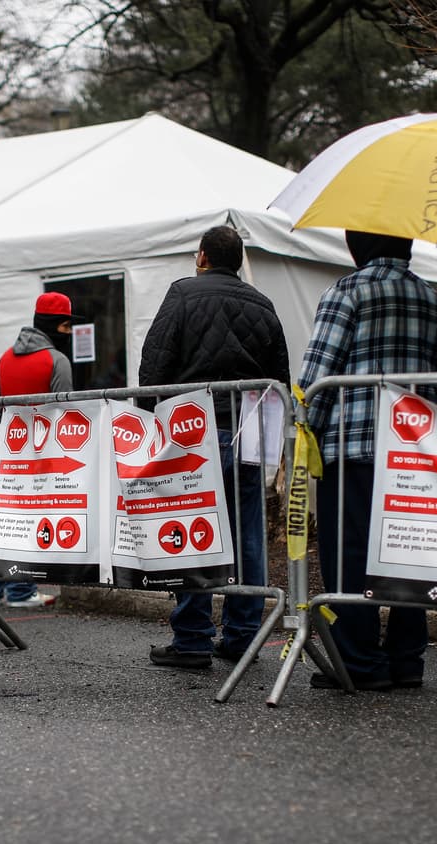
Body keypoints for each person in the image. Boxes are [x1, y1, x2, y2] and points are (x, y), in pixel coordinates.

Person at [300, 231, 437, 691]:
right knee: (408, 557)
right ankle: (407, 661)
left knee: (349, 559)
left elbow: (318, 373)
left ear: (355, 247)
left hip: (353, 446)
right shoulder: (433, 299)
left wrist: (303, 426)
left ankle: (360, 663)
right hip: (413, 448)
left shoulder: (348, 291)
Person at [139, 224, 290, 669]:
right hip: (246, 433)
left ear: (202, 256)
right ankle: (244, 636)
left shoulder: (182, 294)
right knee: (247, 536)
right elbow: (278, 376)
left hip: (192, 434)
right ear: (239, 261)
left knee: (192, 530)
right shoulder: (262, 303)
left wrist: (149, 421)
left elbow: (155, 363)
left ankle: (192, 638)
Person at [0, 292, 81, 608]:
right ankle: (21, 592)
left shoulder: (4, 358)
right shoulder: (57, 360)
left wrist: (16, 430)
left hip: (10, 452)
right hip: (43, 454)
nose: (69, 333)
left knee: (3, 518)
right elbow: (64, 409)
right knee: (31, 518)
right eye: (66, 326)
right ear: (54, 326)